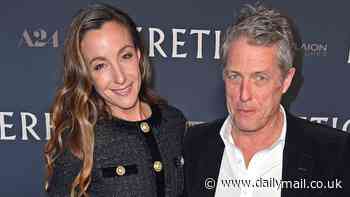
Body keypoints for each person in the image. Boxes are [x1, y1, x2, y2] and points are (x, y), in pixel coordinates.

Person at [184, 3, 350, 197]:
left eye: (260, 78)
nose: (244, 95)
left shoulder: (336, 156)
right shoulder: (192, 146)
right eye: (234, 76)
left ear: (286, 80)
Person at [44, 3, 186, 197]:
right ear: (86, 74)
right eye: (100, 65)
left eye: (125, 56)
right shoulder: (81, 141)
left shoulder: (173, 121)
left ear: (138, 56)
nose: (120, 77)